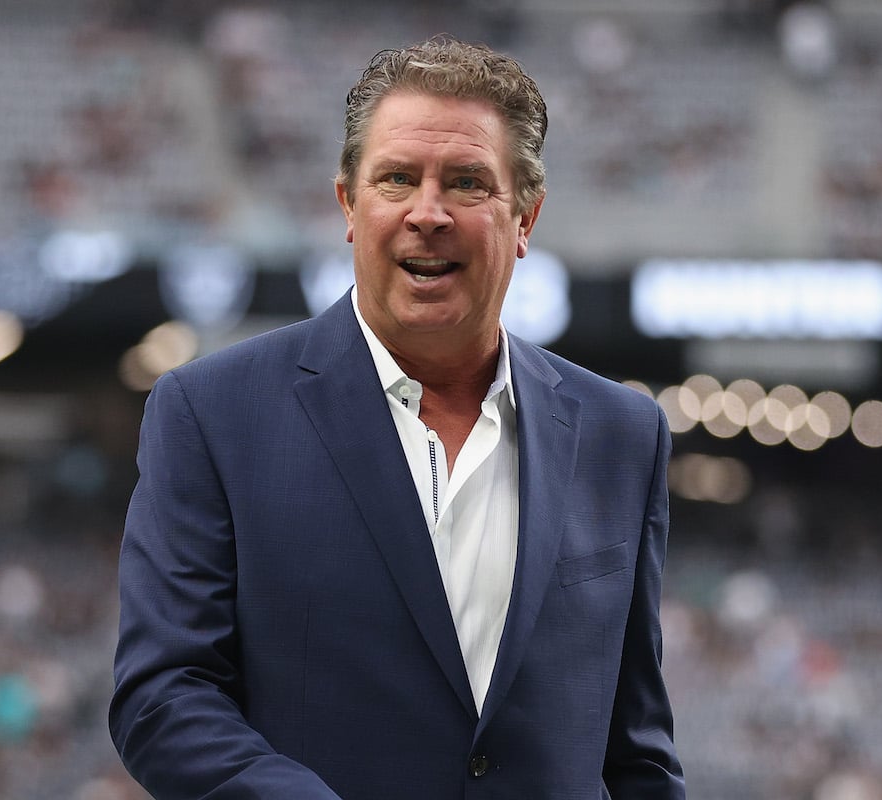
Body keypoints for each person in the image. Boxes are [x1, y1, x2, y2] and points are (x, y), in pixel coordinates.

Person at [109, 36, 685, 799]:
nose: (428, 213)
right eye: (397, 179)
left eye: (469, 183)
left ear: (524, 218)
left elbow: (635, 750)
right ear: (349, 204)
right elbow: (163, 696)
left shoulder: (623, 434)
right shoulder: (213, 413)